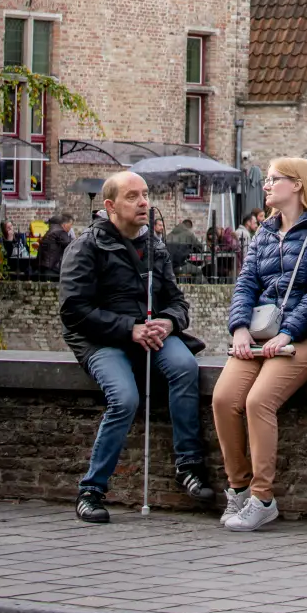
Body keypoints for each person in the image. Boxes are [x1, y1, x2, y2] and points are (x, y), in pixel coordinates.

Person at [59, 170, 214, 524]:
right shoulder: (86, 246)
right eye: (133, 196)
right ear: (111, 206)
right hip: (102, 341)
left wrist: (169, 322)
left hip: (151, 336)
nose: (144, 202)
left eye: (145, 194)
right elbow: (74, 311)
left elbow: (178, 303)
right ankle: (92, 489)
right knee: (124, 398)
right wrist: (130, 329)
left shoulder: (155, 247)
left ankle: (188, 464)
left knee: (185, 367)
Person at [213, 158, 307, 532]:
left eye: (273, 180)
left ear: (298, 184)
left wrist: (289, 333)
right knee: (224, 399)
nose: (266, 186)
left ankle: (262, 497)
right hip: (261, 333)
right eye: (266, 180)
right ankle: (237, 487)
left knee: (258, 401)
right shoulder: (264, 232)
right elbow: (246, 283)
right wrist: (239, 328)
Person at [36, 213, 74, 280]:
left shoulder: (52, 230)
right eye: (71, 225)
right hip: (52, 268)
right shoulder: (60, 232)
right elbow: (71, 246)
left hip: (45, 266)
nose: (71, 227)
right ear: (65, 224)